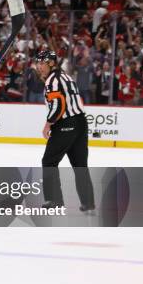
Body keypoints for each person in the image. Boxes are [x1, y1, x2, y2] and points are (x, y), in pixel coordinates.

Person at [35, 50, 95, 212]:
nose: (39, 67)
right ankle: (88, 202)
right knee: (80, 164)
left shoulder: (52, 81)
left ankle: (54, 200)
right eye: (38, 63)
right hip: (80, 122)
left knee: (49, 161)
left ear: (52, 64)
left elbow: (58, 105)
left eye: (42, 63)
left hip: (65, 123)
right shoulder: (66, 76)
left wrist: (48, 124)